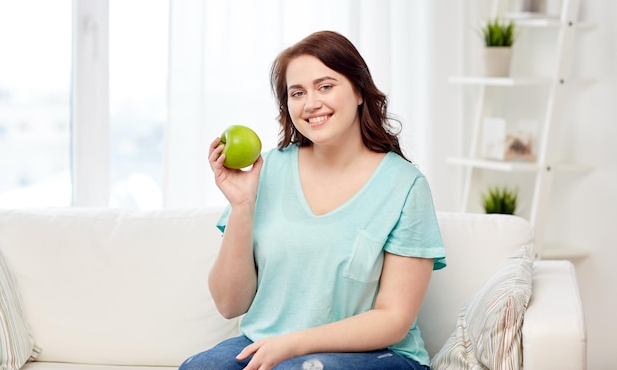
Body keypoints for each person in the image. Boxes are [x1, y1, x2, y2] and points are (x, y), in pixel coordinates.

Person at [179, 30, 446, 370]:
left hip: (376, 355)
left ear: (360, 91)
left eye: (325, 86)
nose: (311, 103)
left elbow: (393, 319)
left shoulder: (405, 186)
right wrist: (242, 206)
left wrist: (293, 345)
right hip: (268, 342)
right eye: (297, 93)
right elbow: (230, 304)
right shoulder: (268, 169)